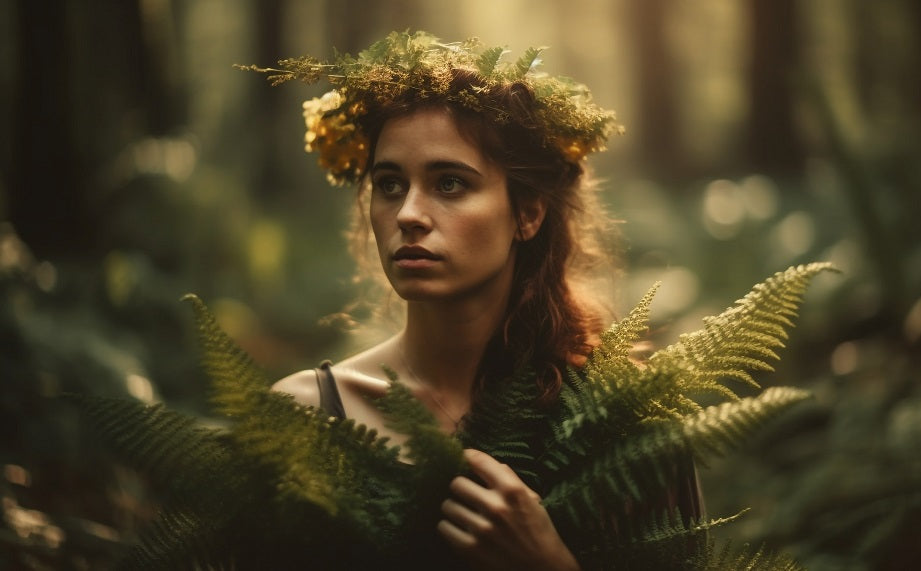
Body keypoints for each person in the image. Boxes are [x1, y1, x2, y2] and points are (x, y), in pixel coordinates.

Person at [268, 31, 701, 569]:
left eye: (449, 184)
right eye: (389, 184)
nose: (408, 214)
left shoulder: (623, 423)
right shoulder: (306, 416)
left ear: (528, 213)